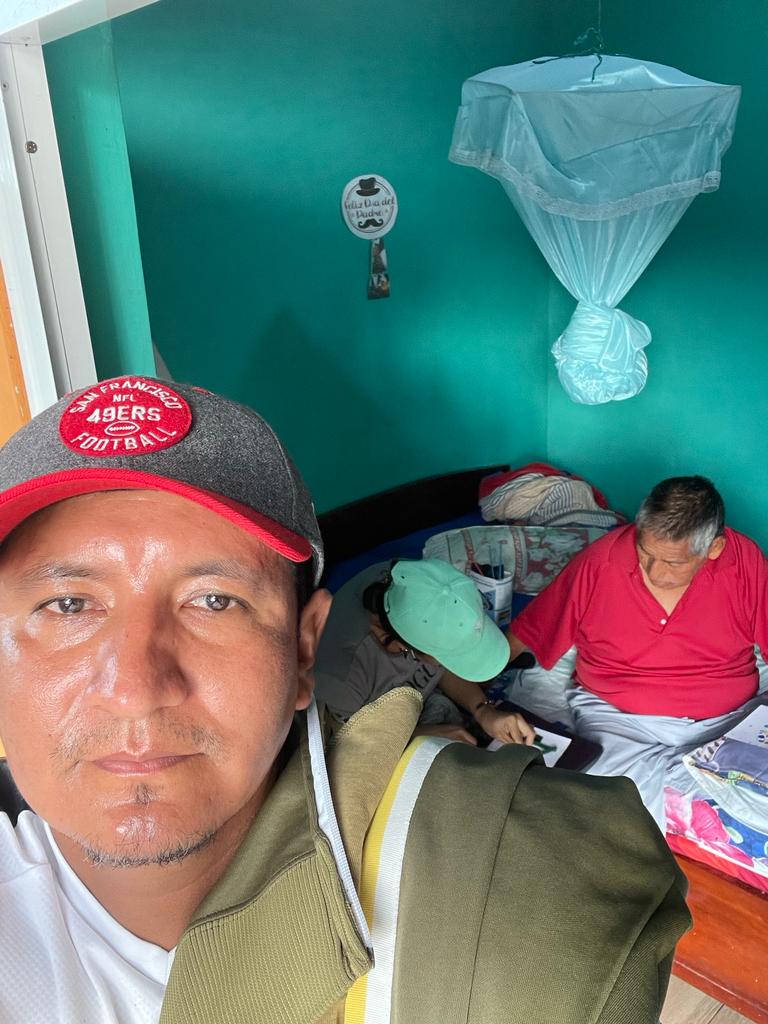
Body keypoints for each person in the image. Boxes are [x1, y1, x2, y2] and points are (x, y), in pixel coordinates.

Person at [0, 375, 690, 1023]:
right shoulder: (353, 678)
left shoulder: (502, 902)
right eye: (67, 604)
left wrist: (482, 711)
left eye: (214, 601)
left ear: (303, 647)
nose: (135, 691)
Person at [508, 475, 768, 826]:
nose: (655, 573)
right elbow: (526, 633)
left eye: (673, 563)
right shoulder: (600, 563)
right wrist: (471, 693)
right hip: (618, 720)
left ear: (714, 548)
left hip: (725, 720)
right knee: (585, 807)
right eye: (646, 553)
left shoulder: (744, 562)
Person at [314, 558, 535, 746]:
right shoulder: (340, 677)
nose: (445, 663)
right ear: (404, 647)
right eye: (449, 658)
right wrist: (421, 736)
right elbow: (346, 746)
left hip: (414, 709)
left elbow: (441, 667)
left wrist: (483, 710)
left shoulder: (420, 583)